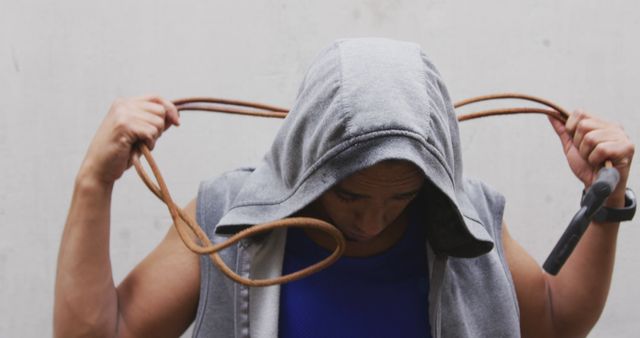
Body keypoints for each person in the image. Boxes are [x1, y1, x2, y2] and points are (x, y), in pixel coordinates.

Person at [54, 38, 634, 338]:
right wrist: (93, 183)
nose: (374, 221)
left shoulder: (468, 220)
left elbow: (555, 324)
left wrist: (607, 200)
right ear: (308, 163)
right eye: (351, 195)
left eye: (400, 197)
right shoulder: (228, 219)